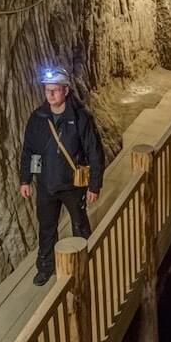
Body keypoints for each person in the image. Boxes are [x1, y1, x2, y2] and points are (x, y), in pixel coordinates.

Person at [19, 67, 105, 286]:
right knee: (46, 228)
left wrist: (94, 186)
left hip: (72, 186)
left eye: (55, 91)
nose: (50, 95)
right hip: (47, 185)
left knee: (79, 225)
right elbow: (29, 151)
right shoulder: (38, 118)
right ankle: (45, 267)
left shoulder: (79, 118)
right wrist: (25, 180)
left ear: (66, 91)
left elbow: (94, 151)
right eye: (48, 90)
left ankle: (84, 262)